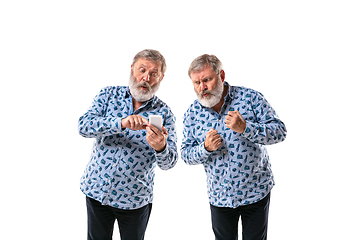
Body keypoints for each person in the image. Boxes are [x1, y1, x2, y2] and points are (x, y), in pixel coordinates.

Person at [181, 54, 287, 240]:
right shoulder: (192, 113)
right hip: (219, 196)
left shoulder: (250, 98)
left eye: (207, 80)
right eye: (196, 83)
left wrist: (246, 128)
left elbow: (279, 131)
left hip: (255, 192)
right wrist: (205, 148)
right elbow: (186, 154)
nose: (202, 88)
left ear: (221, 76)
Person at [78, 49, 178, 240]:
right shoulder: (108, 95)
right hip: (97, 190)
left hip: (135, 200)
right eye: (142, 70)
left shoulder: (165, 114)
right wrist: (120, 123)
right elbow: (83, 126)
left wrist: (161, 147)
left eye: (153, 73)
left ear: (161, 78)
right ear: (132, 69)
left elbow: (169, 163)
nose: (146, 78)